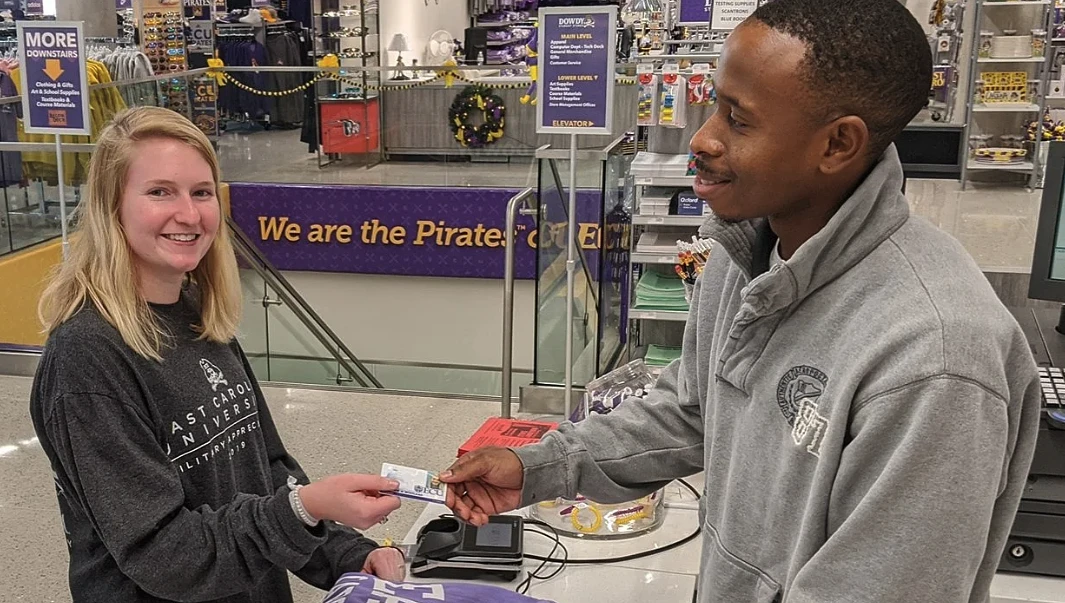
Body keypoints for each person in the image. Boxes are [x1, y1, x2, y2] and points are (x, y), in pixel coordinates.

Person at [441, 1, 1043, 602]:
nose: (702, 138)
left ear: (837, 144)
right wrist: (540, 467)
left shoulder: (935, 360)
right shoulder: (749, 248)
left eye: (739, 119)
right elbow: (693, 411)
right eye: (713, 105)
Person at [30, 106, 405, 603]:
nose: (189, 214)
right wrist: (304, 508)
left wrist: (345, 553)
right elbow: (165, 556)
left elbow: (266, 469)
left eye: (201, 192)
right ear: (110, 205)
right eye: (160, 191)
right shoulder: (87, 358)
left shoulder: (198, 314)